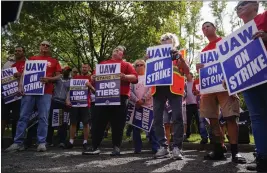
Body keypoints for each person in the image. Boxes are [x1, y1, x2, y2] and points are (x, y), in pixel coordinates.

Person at [196, 22, 246, 163]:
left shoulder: (225, 43)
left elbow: (234, 60)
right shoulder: (204, 51)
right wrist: (199, 67)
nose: (205, 28)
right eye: (203, 27)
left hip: (225, 85)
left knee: (230, 117)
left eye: (208, 26)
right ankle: (219, 148)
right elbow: (203, 70)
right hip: (209, 89)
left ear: (215, 28)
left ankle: (235, 152)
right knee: (212, 118)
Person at [5, 41, 62, 152]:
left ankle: (41, 143)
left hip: (46, 92)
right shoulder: (32, 59)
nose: (45, 46)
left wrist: (49, 79)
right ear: (39, 46)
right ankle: (18, 143)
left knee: (43, 117)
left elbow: (59, 76)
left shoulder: (54, 61)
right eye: (43, 44)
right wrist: (21, 86)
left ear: (49, 48)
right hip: (29, 90)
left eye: (47, 45)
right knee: (23, 116)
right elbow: (25, 73)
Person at [84, 45, 138, 156]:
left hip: (121, 97)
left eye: (120, 50)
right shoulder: (102, 64)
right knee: (98, 122)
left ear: (123, 54)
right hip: (103, 96)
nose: (117, 50)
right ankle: (94, 146)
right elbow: (93, 79)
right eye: (115, 49)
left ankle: (116, 147)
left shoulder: (126, 65)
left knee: (118, 123)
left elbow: (135, 78)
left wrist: (125, 77)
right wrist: (93, 78)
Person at [235, 1, 267, 171]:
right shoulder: (237, 35)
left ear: (255, 5)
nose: (238, 7)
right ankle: (262, 157)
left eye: (242, 3)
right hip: (249, 80)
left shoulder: (265, 17)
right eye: (237, 6)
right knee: (256, 118)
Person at [152, 33, 189, 160]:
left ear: (174, 42)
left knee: (177, 118)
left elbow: (187, 72)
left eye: (168, 39)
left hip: (175, 89)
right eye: (163, 39)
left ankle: (177, 147)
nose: (165, 40)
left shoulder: (180, 54)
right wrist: (148, 59)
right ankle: (163, 146)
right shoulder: (153, 55)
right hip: (158, 89)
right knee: (157, 119)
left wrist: (180, 58)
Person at [129, 59, 159, 154]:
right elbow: (129, 91)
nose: (139, 66)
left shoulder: (149, 77)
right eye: (137, 65)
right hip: (136, 106)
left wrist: (144, 99)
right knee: (136, 128)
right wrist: (136, 100)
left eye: (141, 64)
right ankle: (137, 148)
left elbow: (152, 89)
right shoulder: (133, 78)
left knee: (151, 127)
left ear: (145, 66)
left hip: (149, 105)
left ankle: (155, 147)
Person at [65, 64, 95, 151]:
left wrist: (90, 86)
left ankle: (85, 142)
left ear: (88, 68)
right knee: (73, 122)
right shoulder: (75, 78)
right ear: (81, 69)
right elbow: (69, 90)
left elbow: (94, 91)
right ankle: (71, 141)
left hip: (85, 104)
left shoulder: (91, 78)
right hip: (74, 104)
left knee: (86, 123)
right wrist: (67, 100)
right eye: (83, 67)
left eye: (86, 67)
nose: (84, 68)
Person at [2, 47, 25, 140]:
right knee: (3, 116)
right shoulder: (7, 63)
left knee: (17, 117)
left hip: (19, 94)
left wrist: (21, 75)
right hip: (6, 93)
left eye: (19, 51)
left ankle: (15, 140)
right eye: (16, 51)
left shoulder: (28, 63)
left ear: (23, 52)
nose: (17, 52)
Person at [46, 66, 72, 148]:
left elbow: (69, 91)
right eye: (65, 70)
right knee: (52, 121)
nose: (67, 72)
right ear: (62, 71)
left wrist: (68, 100)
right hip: (55, 101)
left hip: (64, 103)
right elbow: (50, 80)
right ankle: (48, 141)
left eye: (68, 71)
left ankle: (62, 141)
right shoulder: (58, 79)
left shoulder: (71, 81)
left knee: (63, 123)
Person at [185, 73, 201, 142]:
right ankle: (187, 134)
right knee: (188, 121)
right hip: (188, 105)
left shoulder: (195, 82)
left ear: (191, 76)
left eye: (188, 75)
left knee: (199, 120)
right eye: (186, 75)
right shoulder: (185, 84)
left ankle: (202, 134)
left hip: (196, 104)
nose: (187, 76)